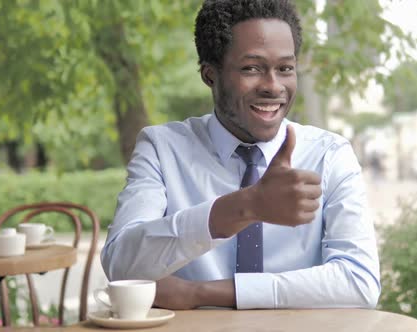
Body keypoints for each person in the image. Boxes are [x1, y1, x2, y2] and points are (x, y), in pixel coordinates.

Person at [101, 0, 380, 310]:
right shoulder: (162, 148)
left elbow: (360, 282)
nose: (273, 87)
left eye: (285, 68)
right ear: (210, 75)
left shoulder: (329, 155)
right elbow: (120, 264)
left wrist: (200, 293)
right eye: (252, 68)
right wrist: (245, 207)